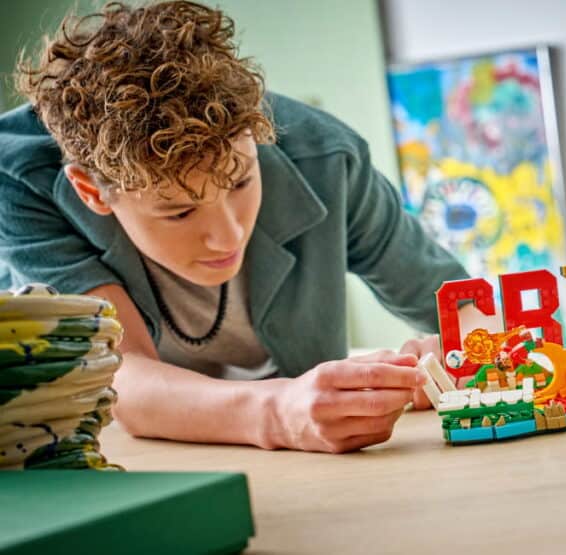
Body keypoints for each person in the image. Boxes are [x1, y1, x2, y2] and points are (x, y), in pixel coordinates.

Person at [0, 0, 473, 453]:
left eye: (242, 180)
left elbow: (469, 311)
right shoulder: (20, 183)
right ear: (91, 191)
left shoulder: (327, 157)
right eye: (179, 212)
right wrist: (279, 413)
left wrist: (448, 356)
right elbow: (121, 372)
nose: (227, 238)